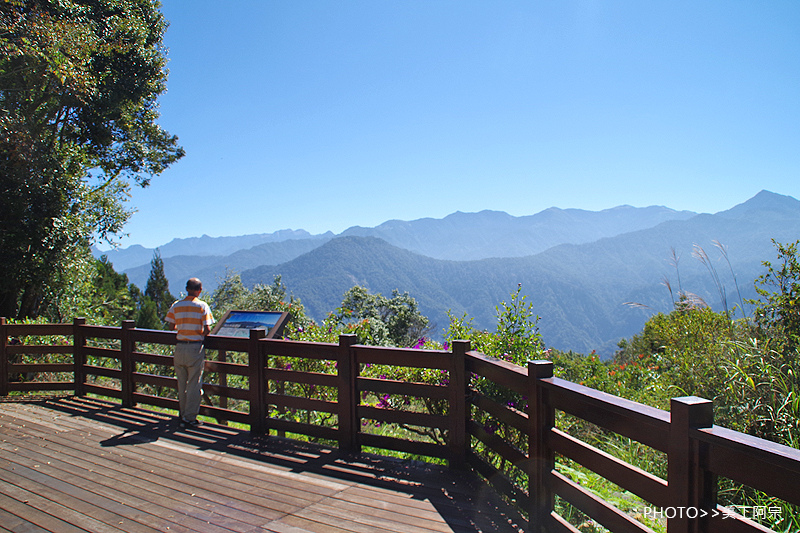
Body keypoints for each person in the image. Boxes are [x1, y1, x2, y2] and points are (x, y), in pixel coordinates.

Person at [165, 278, 215, 427]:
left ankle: (182, 414)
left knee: (181, 383)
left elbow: (171, 326)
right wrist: (197, 332)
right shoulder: (202, 306)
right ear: (200, 290)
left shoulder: (176, 305)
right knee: (194, 384)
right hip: (194, 347)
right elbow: (207, 330)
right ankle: (190, 418)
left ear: (187, 289)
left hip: (179, 347)